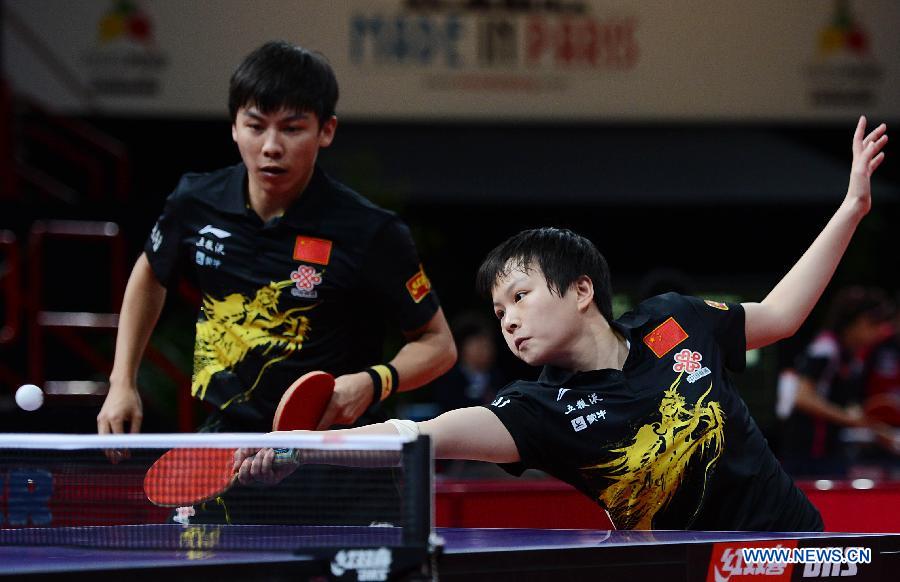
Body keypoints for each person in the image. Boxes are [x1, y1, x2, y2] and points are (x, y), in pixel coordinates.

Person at [238, 117, 887, 531]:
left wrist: (852, 207)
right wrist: (302, 449)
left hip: (796, 548)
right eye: (498, 312)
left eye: (519, 296)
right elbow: (419, 435)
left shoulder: (676, 321)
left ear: (582, 290)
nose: (508, 321)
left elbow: (780, 314)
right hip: (686, 571)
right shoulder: (536, 410)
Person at [97, 41, 456, 521]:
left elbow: (439, 344)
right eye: (255, 125)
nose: (270, 146)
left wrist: (373, 382)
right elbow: (150, 271)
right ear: (233, 126)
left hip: (332, 457)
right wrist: (123, 381)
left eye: (292, 128)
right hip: (226, 453)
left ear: (325, 130)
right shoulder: (196, 202)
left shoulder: (370, 232)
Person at [778, 286, 895, 476]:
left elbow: (844, 405)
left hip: (831, 453)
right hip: (806, 456)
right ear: (857, 323)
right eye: (873, 325)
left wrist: (874, 428)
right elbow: (803, 398)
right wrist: (850, 419)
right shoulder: (826, 347)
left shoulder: (854, 356)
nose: (880, 332)